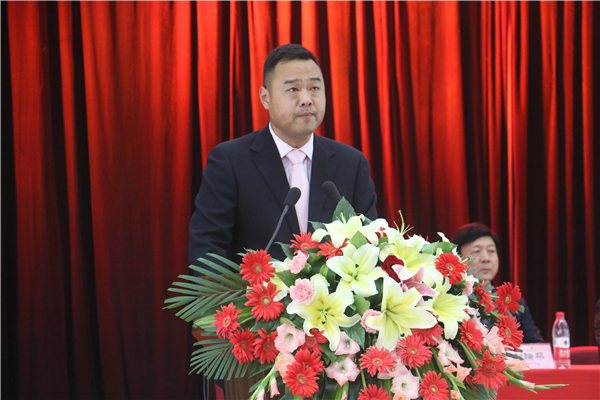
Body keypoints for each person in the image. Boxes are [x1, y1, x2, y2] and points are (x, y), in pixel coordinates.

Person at [188, 44, 378, 400]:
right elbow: (207, 247)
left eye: (315, 88)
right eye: (293, 89)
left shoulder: (350, 163)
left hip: (336, 344)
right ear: (265, 97)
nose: (306, 98)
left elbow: (370, 246)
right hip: (258, 338)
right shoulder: (231, 160)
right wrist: (226, 315)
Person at [452, 222, 545, 343]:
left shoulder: (513, 304)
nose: (486, 258)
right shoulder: (450, 300)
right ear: (459, 258)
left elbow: (537, 346)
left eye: (491, 251)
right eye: (476, 251)